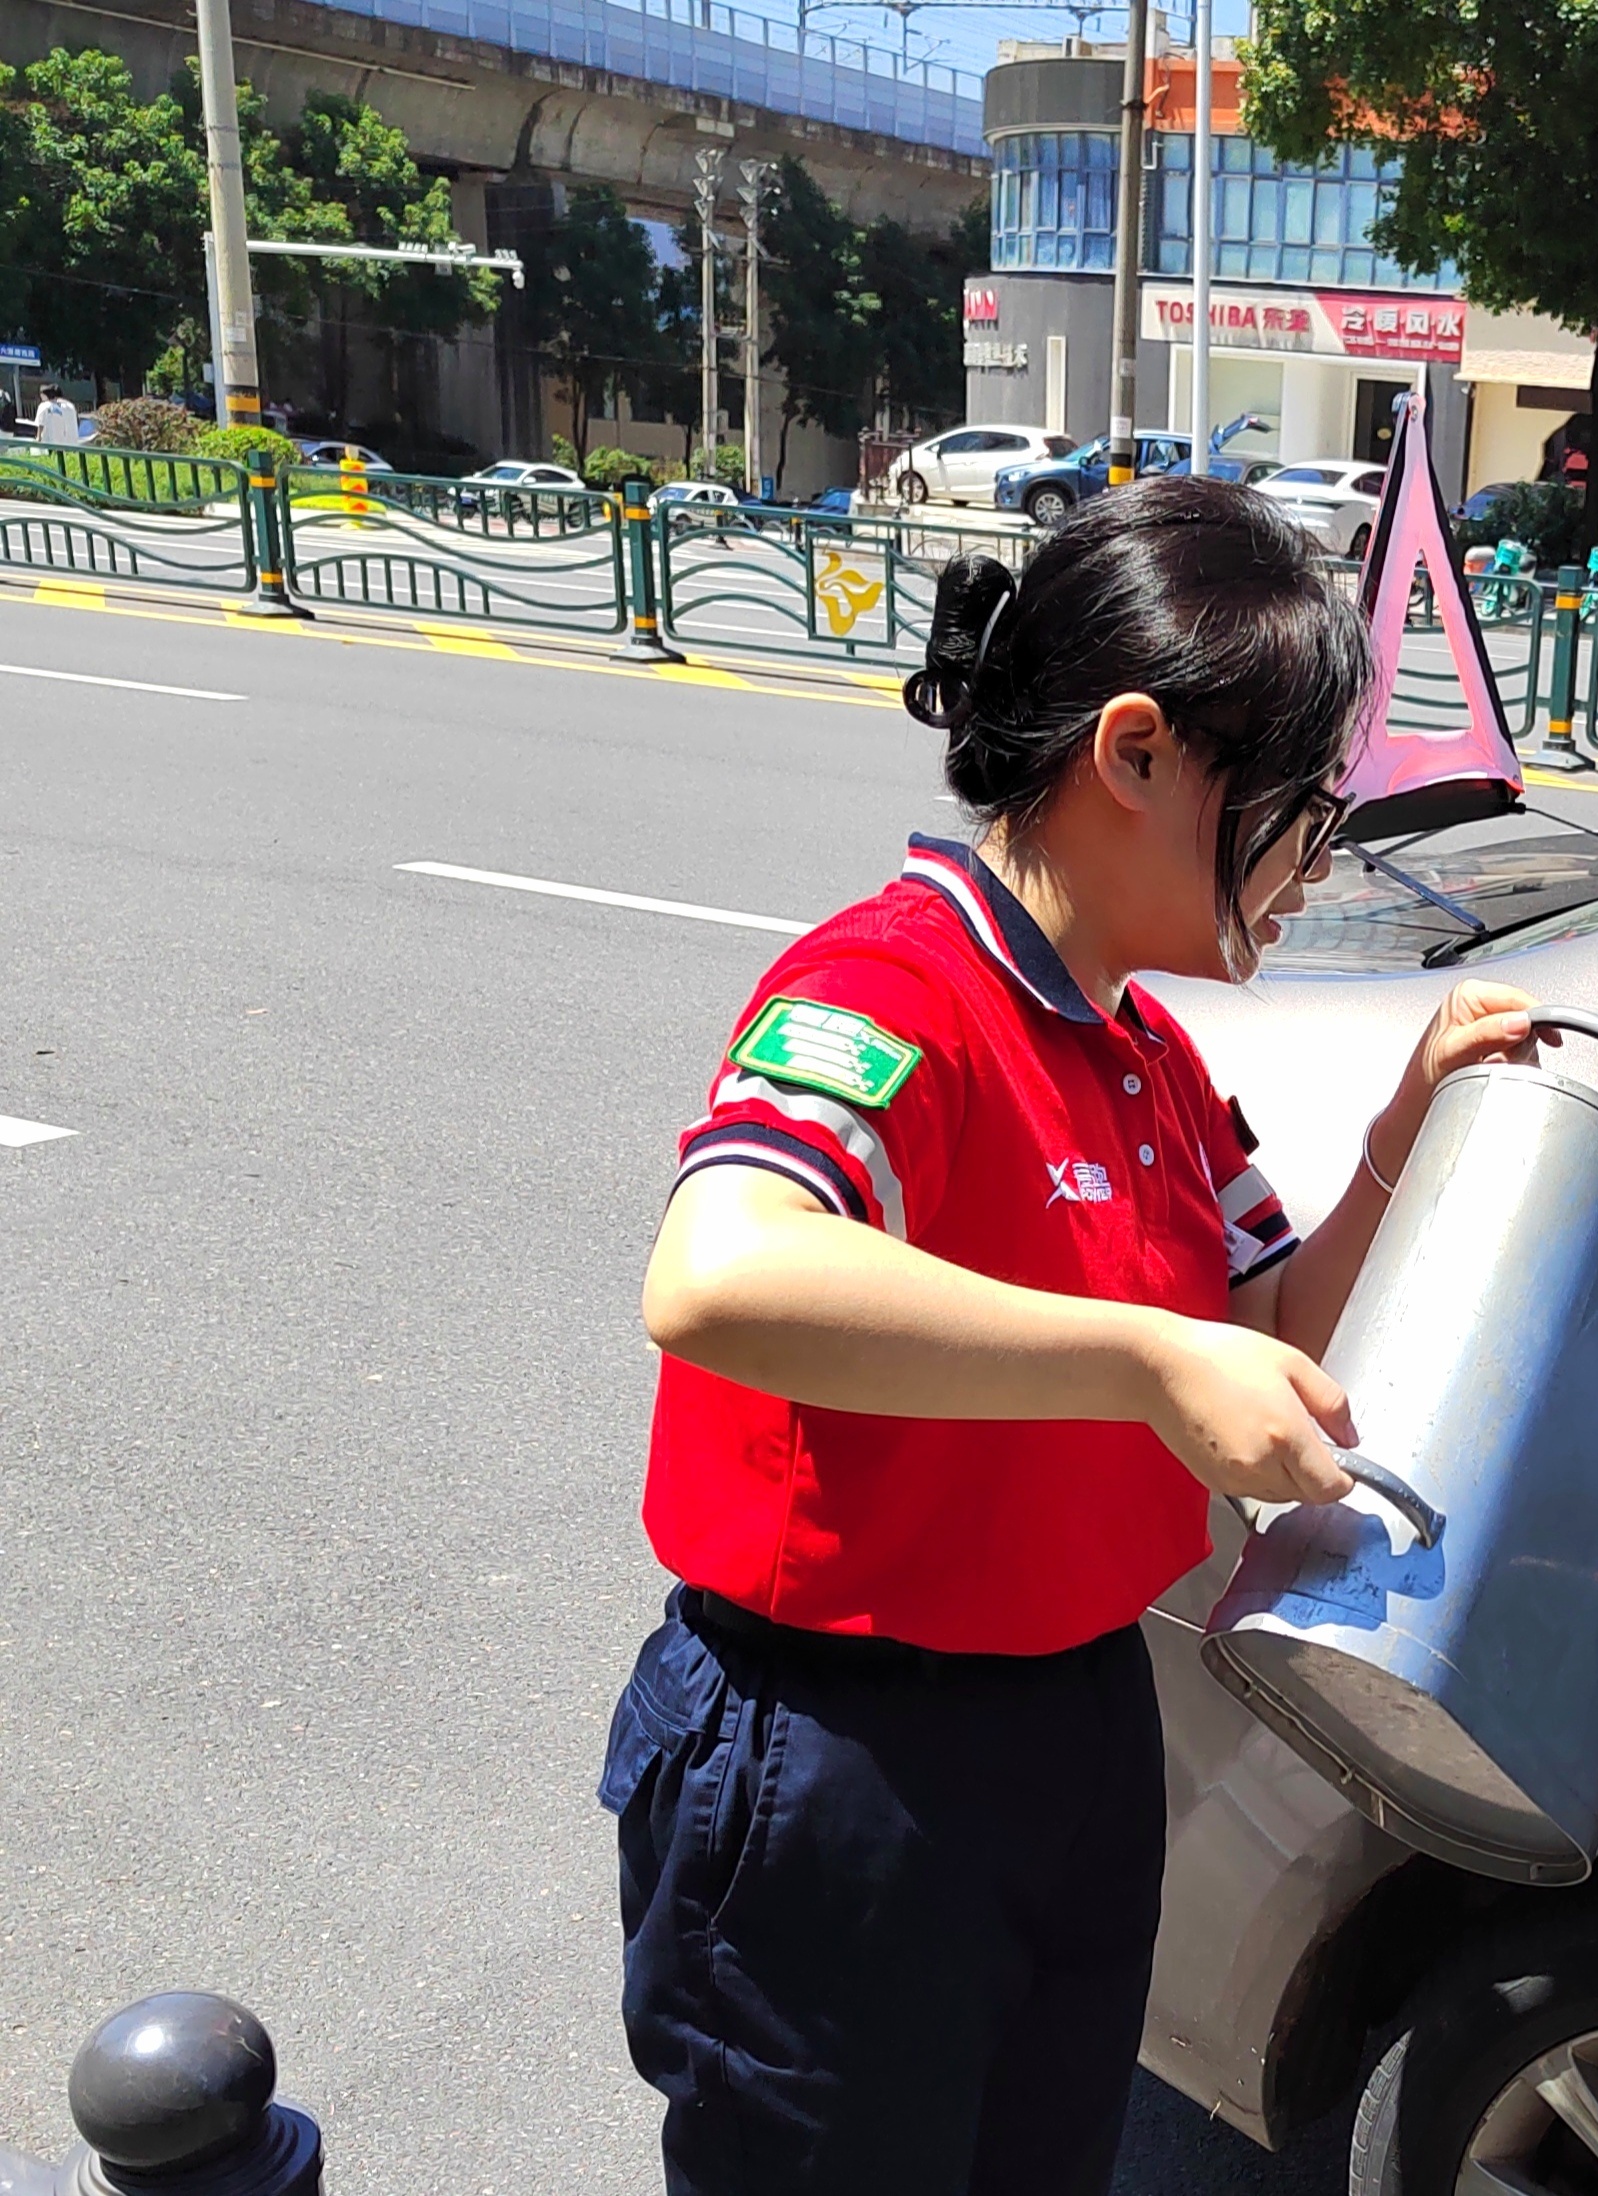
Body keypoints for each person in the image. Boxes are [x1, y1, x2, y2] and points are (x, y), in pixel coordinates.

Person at [600, 475, 1542, 2195]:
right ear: (1136, 755)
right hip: (848, 1763)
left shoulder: (1149, 1055)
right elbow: (720, 1275)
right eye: (1301, 801)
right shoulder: (892, 990)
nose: (1320, 859)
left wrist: (1409, 1130)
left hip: (1079, 1720)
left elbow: (1253, 1321)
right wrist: (1137, 1357)